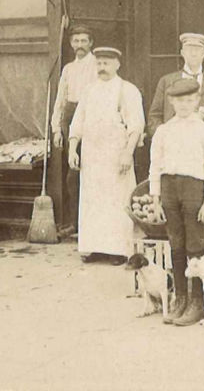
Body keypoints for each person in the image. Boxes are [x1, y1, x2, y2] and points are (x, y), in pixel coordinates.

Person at [149, 78, 204, 327]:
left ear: (197, 101)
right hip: (169, 188)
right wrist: (156, 198)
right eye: (179, 100)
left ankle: (197, 302)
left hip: (194, 189)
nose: (184, 105)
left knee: (195, 246)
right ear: (171, 101)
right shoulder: (164, 131)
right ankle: (180, 297)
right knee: (176, 245)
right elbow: (155, 166)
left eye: (190, 100)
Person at [67, 47, 145, 266]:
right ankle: (93, 247)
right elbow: (77, 122)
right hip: (92, 156)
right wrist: (73, 149)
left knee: (116, 201)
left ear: (117, 65)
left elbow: (136, 125)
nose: (102, 68)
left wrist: (127, 153)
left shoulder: (127, 90)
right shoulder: (88, 91)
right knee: (93, 201)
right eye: (99, 63)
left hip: (115, 155)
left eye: (106, 63)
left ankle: (118, 250)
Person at [51, 25, 96, 237]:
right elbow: (60, 101)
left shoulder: (98, 66)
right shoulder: (68, 69)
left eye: (83, 41)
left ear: (91, 43)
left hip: (92, 120)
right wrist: (57, 130)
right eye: (76, 41)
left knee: (93, 173)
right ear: (71, 44)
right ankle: (75, 224)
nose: (79, 45)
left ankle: (91, 225)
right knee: (72, 175)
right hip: (71, 120)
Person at [146, 33, 204, 139]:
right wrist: (165, 136)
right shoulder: (166, 81)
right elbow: (153, 117)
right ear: (182, 53)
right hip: (173, 145)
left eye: (197, 50)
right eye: (189, 49)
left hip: (202, 144)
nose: (193, 54)